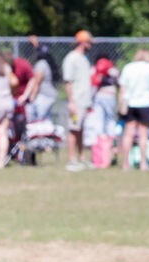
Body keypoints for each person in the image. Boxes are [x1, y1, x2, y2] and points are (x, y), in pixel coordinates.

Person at [119, 47, 149, 170]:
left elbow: (122, 88)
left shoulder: (128, 67)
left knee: (128, 134)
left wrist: (121, 104)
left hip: (131, 103)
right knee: (143, 134)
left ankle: (125, 163)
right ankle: (143, 163)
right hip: (145, 103)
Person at [62, 31, 95, 168]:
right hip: (76, 101)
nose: (91, 45)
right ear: (82, 42)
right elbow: (68, 82)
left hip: (85, 101)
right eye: (89, 42)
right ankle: (72, 160)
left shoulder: (84, 58)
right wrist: (71, 102)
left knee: (81, 130)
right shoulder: (71, 58)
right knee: (73, 129)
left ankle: (82, 158)